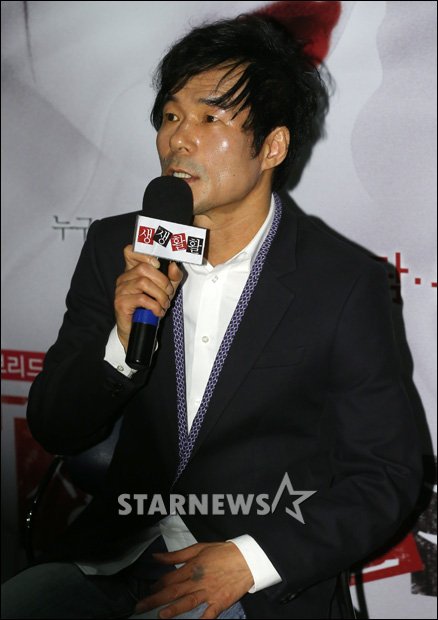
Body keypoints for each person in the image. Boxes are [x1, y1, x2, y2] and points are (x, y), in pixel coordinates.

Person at [2, 13, 422, 620]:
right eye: (171, 116)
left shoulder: (342, 282)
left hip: (251, 576)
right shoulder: (118, 247)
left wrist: (250, 561)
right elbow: (55, 427)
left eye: (209, 118)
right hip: (116, 556)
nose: (178, 139)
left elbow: (386, 473)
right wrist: (120, 346)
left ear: (272, 146)